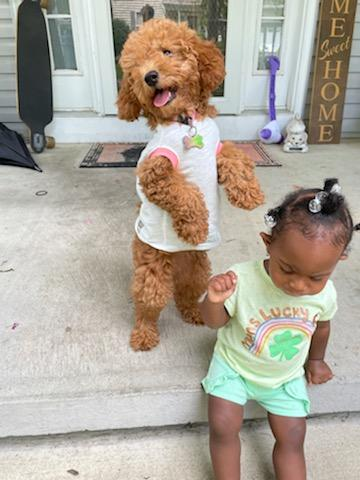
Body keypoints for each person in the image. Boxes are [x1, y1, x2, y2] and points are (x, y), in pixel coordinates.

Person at [200, 178, 359, 480]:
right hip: (234, 367)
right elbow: (214, 322)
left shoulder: (325, 295)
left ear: (340, 261)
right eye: (287, 269)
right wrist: (213, 299)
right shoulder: (241, 279)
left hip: (284, 378)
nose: (299, 286)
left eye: (316, 277)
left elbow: (322, 327)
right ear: (267, 243)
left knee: (294, 436)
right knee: (222, 426)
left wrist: (315, 360)